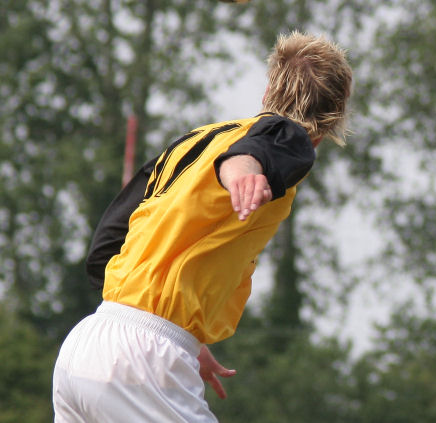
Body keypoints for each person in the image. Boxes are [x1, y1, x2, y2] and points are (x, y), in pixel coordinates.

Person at [52, 30, 353, 422]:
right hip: (143, 360)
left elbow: (105, 248)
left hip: (86, 346)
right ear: (333, 121)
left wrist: (177, 331)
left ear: (266, 92)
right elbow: (252, 153)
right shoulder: (290, 138)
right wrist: (243, 173)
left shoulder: (193, 142)